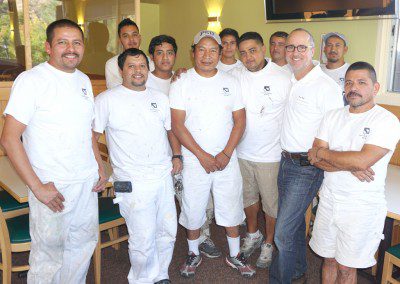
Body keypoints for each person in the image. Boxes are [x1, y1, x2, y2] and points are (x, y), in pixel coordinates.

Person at [0, 19, 107, 283]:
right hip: (52, 187)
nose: (71, 49)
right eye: (62, 42)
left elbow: (86, 130)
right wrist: (38, 187)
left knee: (81, 250)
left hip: (85, 182)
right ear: (48, 47)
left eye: (76, 43)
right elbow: (10, 139)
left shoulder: (83, 80)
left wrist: (98, 166)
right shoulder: (31, 80)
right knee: (48, 259)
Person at [169, 30, 254, 278]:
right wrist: (202, 155)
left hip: (226, 159)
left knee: (231, 206)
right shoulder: (181, 82)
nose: (207, 55)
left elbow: (240, 121)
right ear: (193, 51)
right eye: (202, 50)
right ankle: (194, 252)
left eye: (213, 50)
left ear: (220, 52)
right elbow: (177, 124)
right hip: (196, 160)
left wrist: (226, 154)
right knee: (193, 207)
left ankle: (235, 254)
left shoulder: (231, 82)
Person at [94, 48, 181, 284]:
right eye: (131, 66)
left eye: (142, 65)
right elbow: (91, 136)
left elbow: (170, 130)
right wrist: (100, 169)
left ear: (148, 68)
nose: (137, 71)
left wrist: (176, 156)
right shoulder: (107, 99)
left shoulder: (159, 99)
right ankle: (142, 279)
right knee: (142, 237)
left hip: (162, 175)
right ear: (121, 70)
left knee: (167, 231)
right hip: (129, 180)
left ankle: (160, 274)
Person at [308, 61, 400, 284]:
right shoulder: (332, 116)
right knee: (328, 260)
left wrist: (326, 153)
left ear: (375, 88)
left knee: (346, 268)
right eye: (348, 82)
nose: (353, 87)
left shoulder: (386, 120)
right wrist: (350, 165)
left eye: (361, 82)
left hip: (361, 207)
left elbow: (362, 160)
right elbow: (313, 157)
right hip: (328, 199)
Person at [269, 28, 344, 284]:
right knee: (295, 224)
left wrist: (321, 157)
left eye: (302, 47)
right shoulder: (290, 78)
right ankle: (299, 267)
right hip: (286, 162)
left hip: (307, 166)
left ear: (313, 50)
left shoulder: (326, 87)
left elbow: (337, 130)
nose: (295, 52)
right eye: (291, 47)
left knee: (283, 233)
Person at [147, 34, 222, 258]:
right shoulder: (143, 80)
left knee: (195, 199)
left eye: (170, 52)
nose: (165, 57)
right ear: (152, 56)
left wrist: (178, 154)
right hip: (155, 154)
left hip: (183, 152)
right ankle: (153, 245)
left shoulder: (182, 78)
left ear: (177, 55)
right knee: (158, 204)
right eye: (159, 52)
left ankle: (203, 236)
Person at [230, 31, 291, 269]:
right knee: (248, 199)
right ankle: (253, 234)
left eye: (252, 50)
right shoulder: (235, 75)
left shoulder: (283, 77)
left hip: (271, 155)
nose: (248, 57)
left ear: (263, 48)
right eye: (243, 53)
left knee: (271, 204)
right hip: (242, 152)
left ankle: (268, 242)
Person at [105, 18, 154, 89]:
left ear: (139, 38)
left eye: (134, 35)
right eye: (126, 36)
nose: (131, 39)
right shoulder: (112, 64)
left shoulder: (151, 62)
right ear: (119, 40)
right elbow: (115, 91)